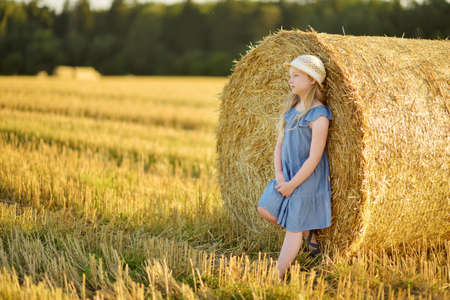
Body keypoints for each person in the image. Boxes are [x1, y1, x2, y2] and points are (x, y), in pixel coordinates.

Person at [256, 54, 332, 281]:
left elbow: (314, 158)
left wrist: (292, 185)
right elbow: (278, 146)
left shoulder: (319, 115)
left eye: (296, 76)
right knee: (265, 209)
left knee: (292, 228)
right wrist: (280, 176)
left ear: (312, 80)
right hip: (286, 176)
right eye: (290, 76)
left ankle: (278, 275)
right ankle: (309, 236)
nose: (290, 80)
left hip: (305, 179)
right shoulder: (291, 110)